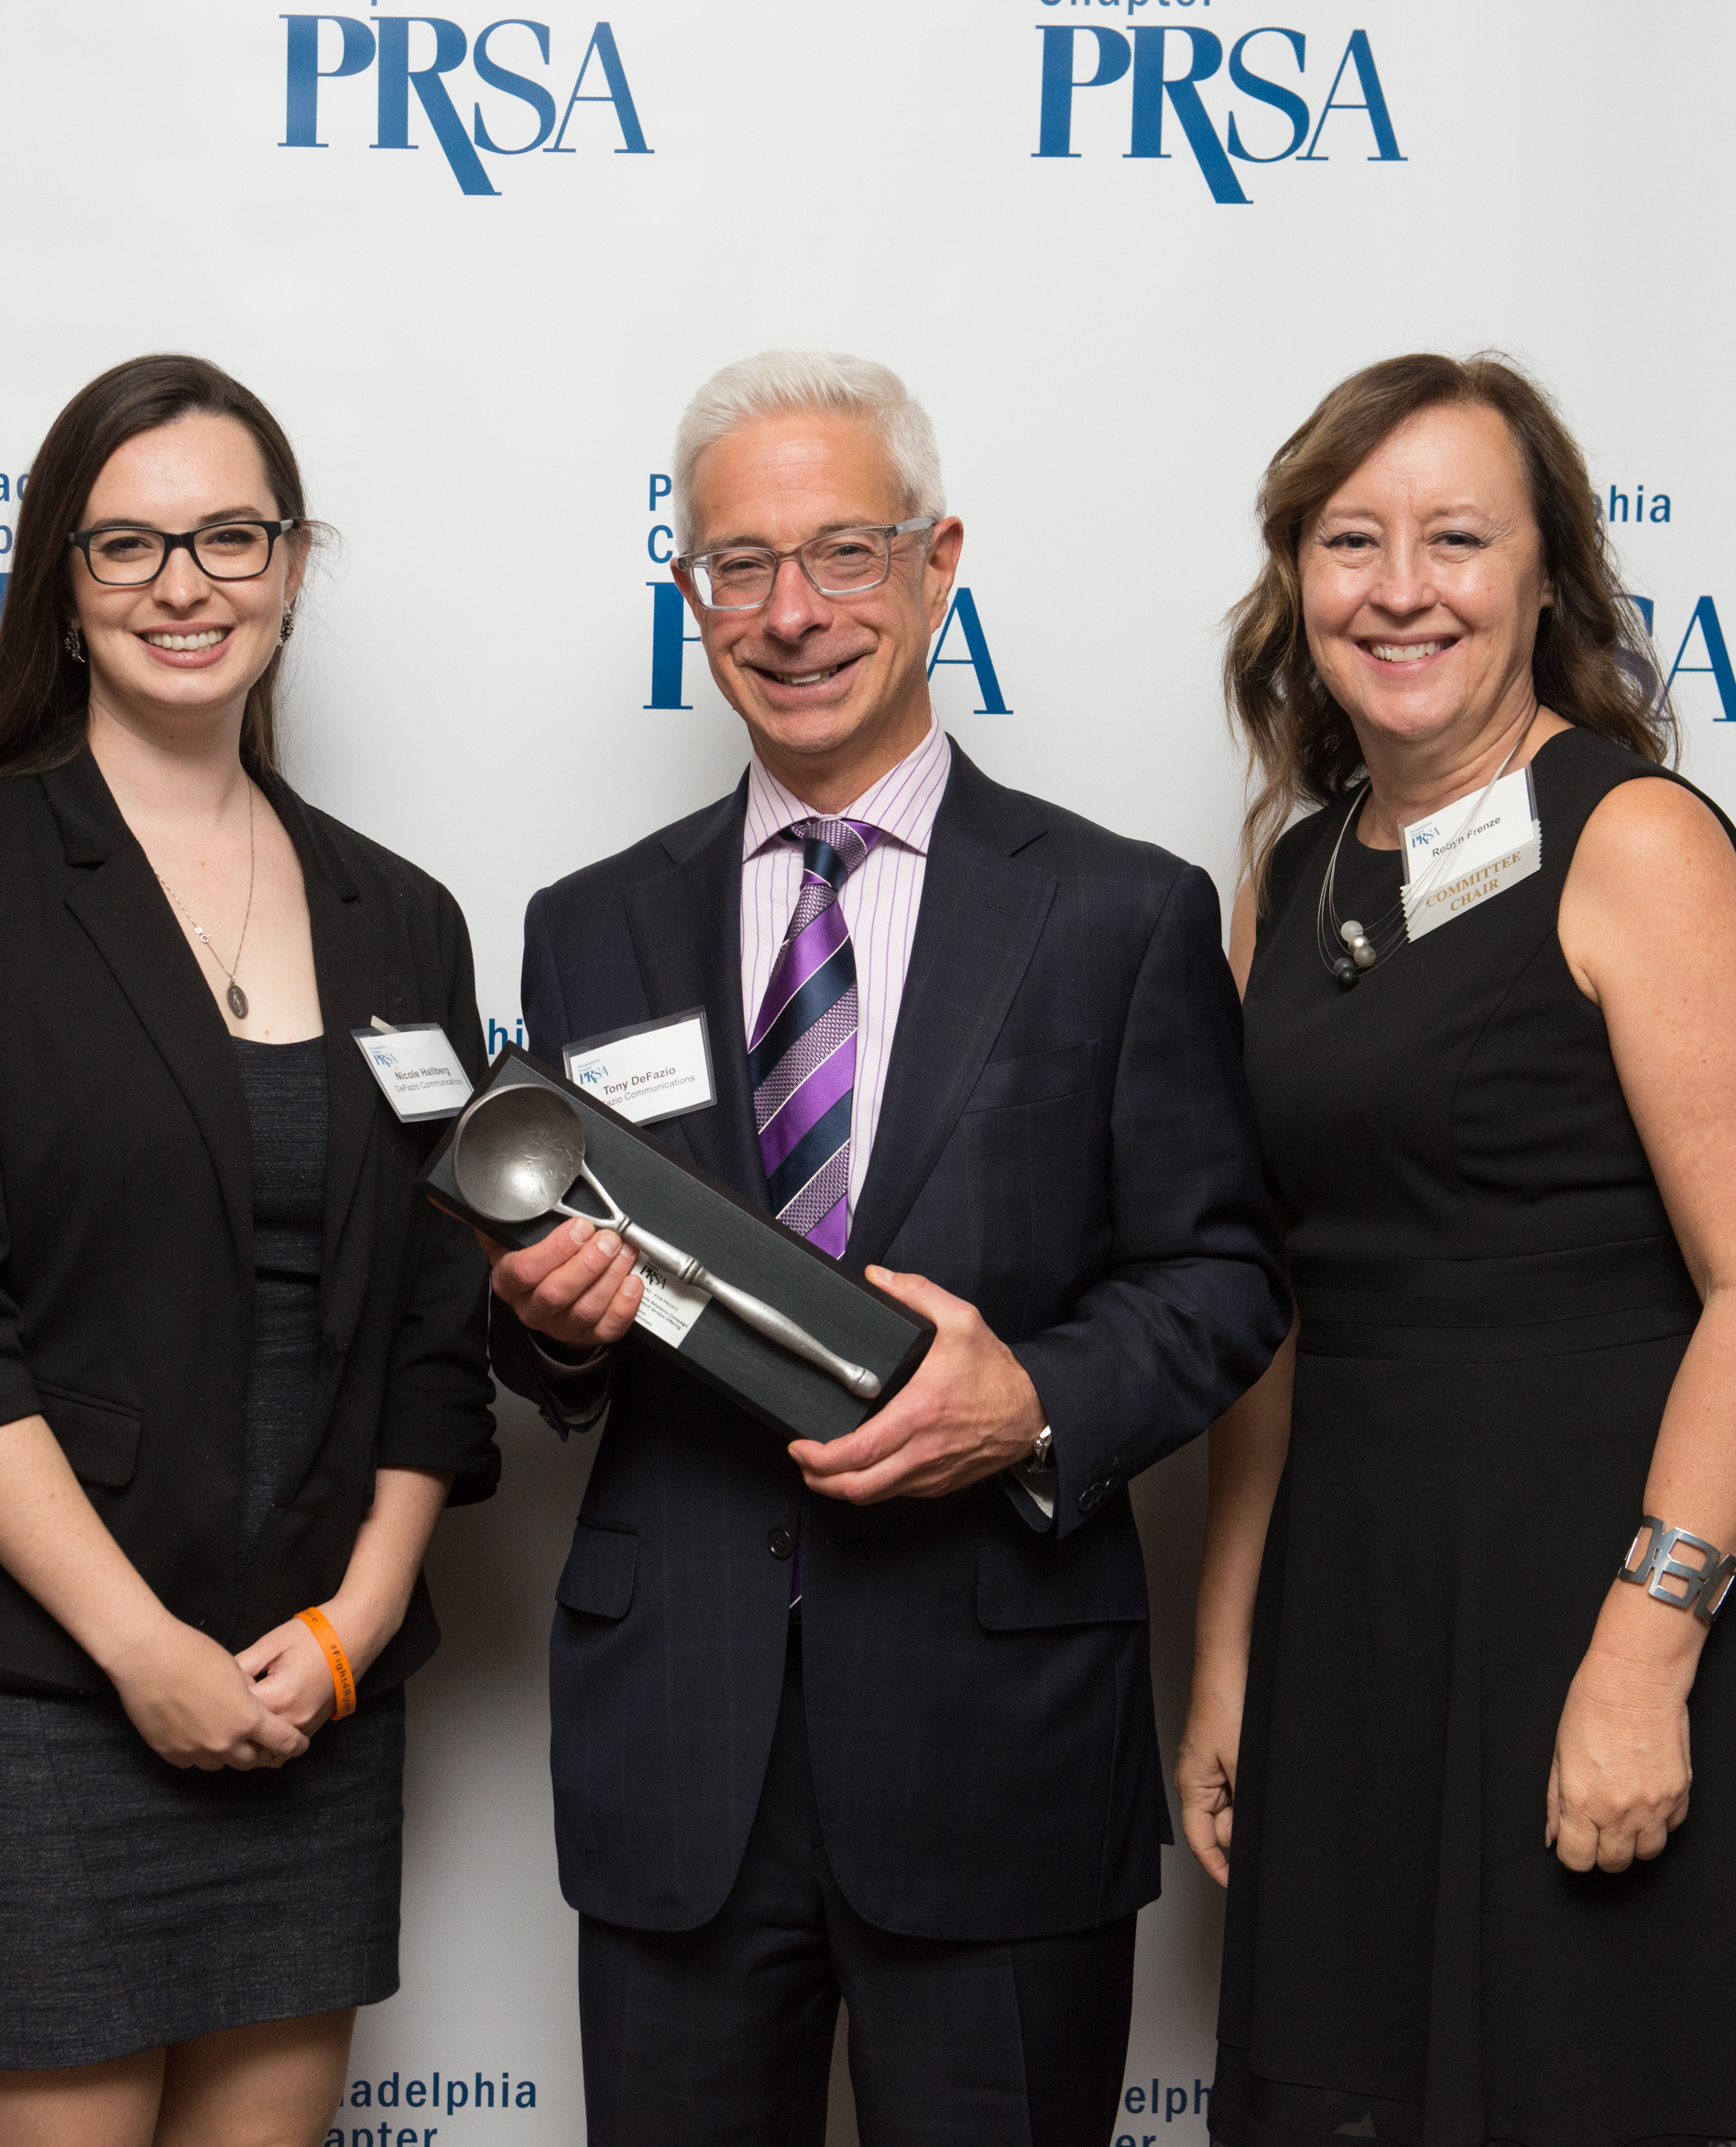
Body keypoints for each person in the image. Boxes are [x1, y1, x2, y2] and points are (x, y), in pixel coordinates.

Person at [486, 348, 1290, 2146]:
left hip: (991, 1729)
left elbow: (1225, 1277)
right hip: (678, 1747)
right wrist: (542, 1324)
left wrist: (1034, 1404)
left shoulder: (1115, 915)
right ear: (689, 597)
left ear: (938, 565)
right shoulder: (588, 927)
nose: (791, 612)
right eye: (737, 566)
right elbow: (555, 1330)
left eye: (844, 553)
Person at [1178, 351, 1736, 2146]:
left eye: (1455, 536)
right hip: (1363, 1613)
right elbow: (1275, 1307)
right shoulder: (1290, 875)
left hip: (1596, 1588)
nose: (1399, 584)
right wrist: (1227, 1650)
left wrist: (1642, 1650)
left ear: (1544, 578)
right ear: (1296, 581)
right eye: (1349, 538)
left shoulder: (1634, 838)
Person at [0, 353, 497, 2147]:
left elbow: (440, 1318)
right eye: (127, 546)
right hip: (40, 1691)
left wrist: (351, 1627)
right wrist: (139, 1646)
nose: (182, 584)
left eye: (225, 537)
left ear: (289, 564)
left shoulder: (400, 916)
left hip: (308, 1695)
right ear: (58, 578)